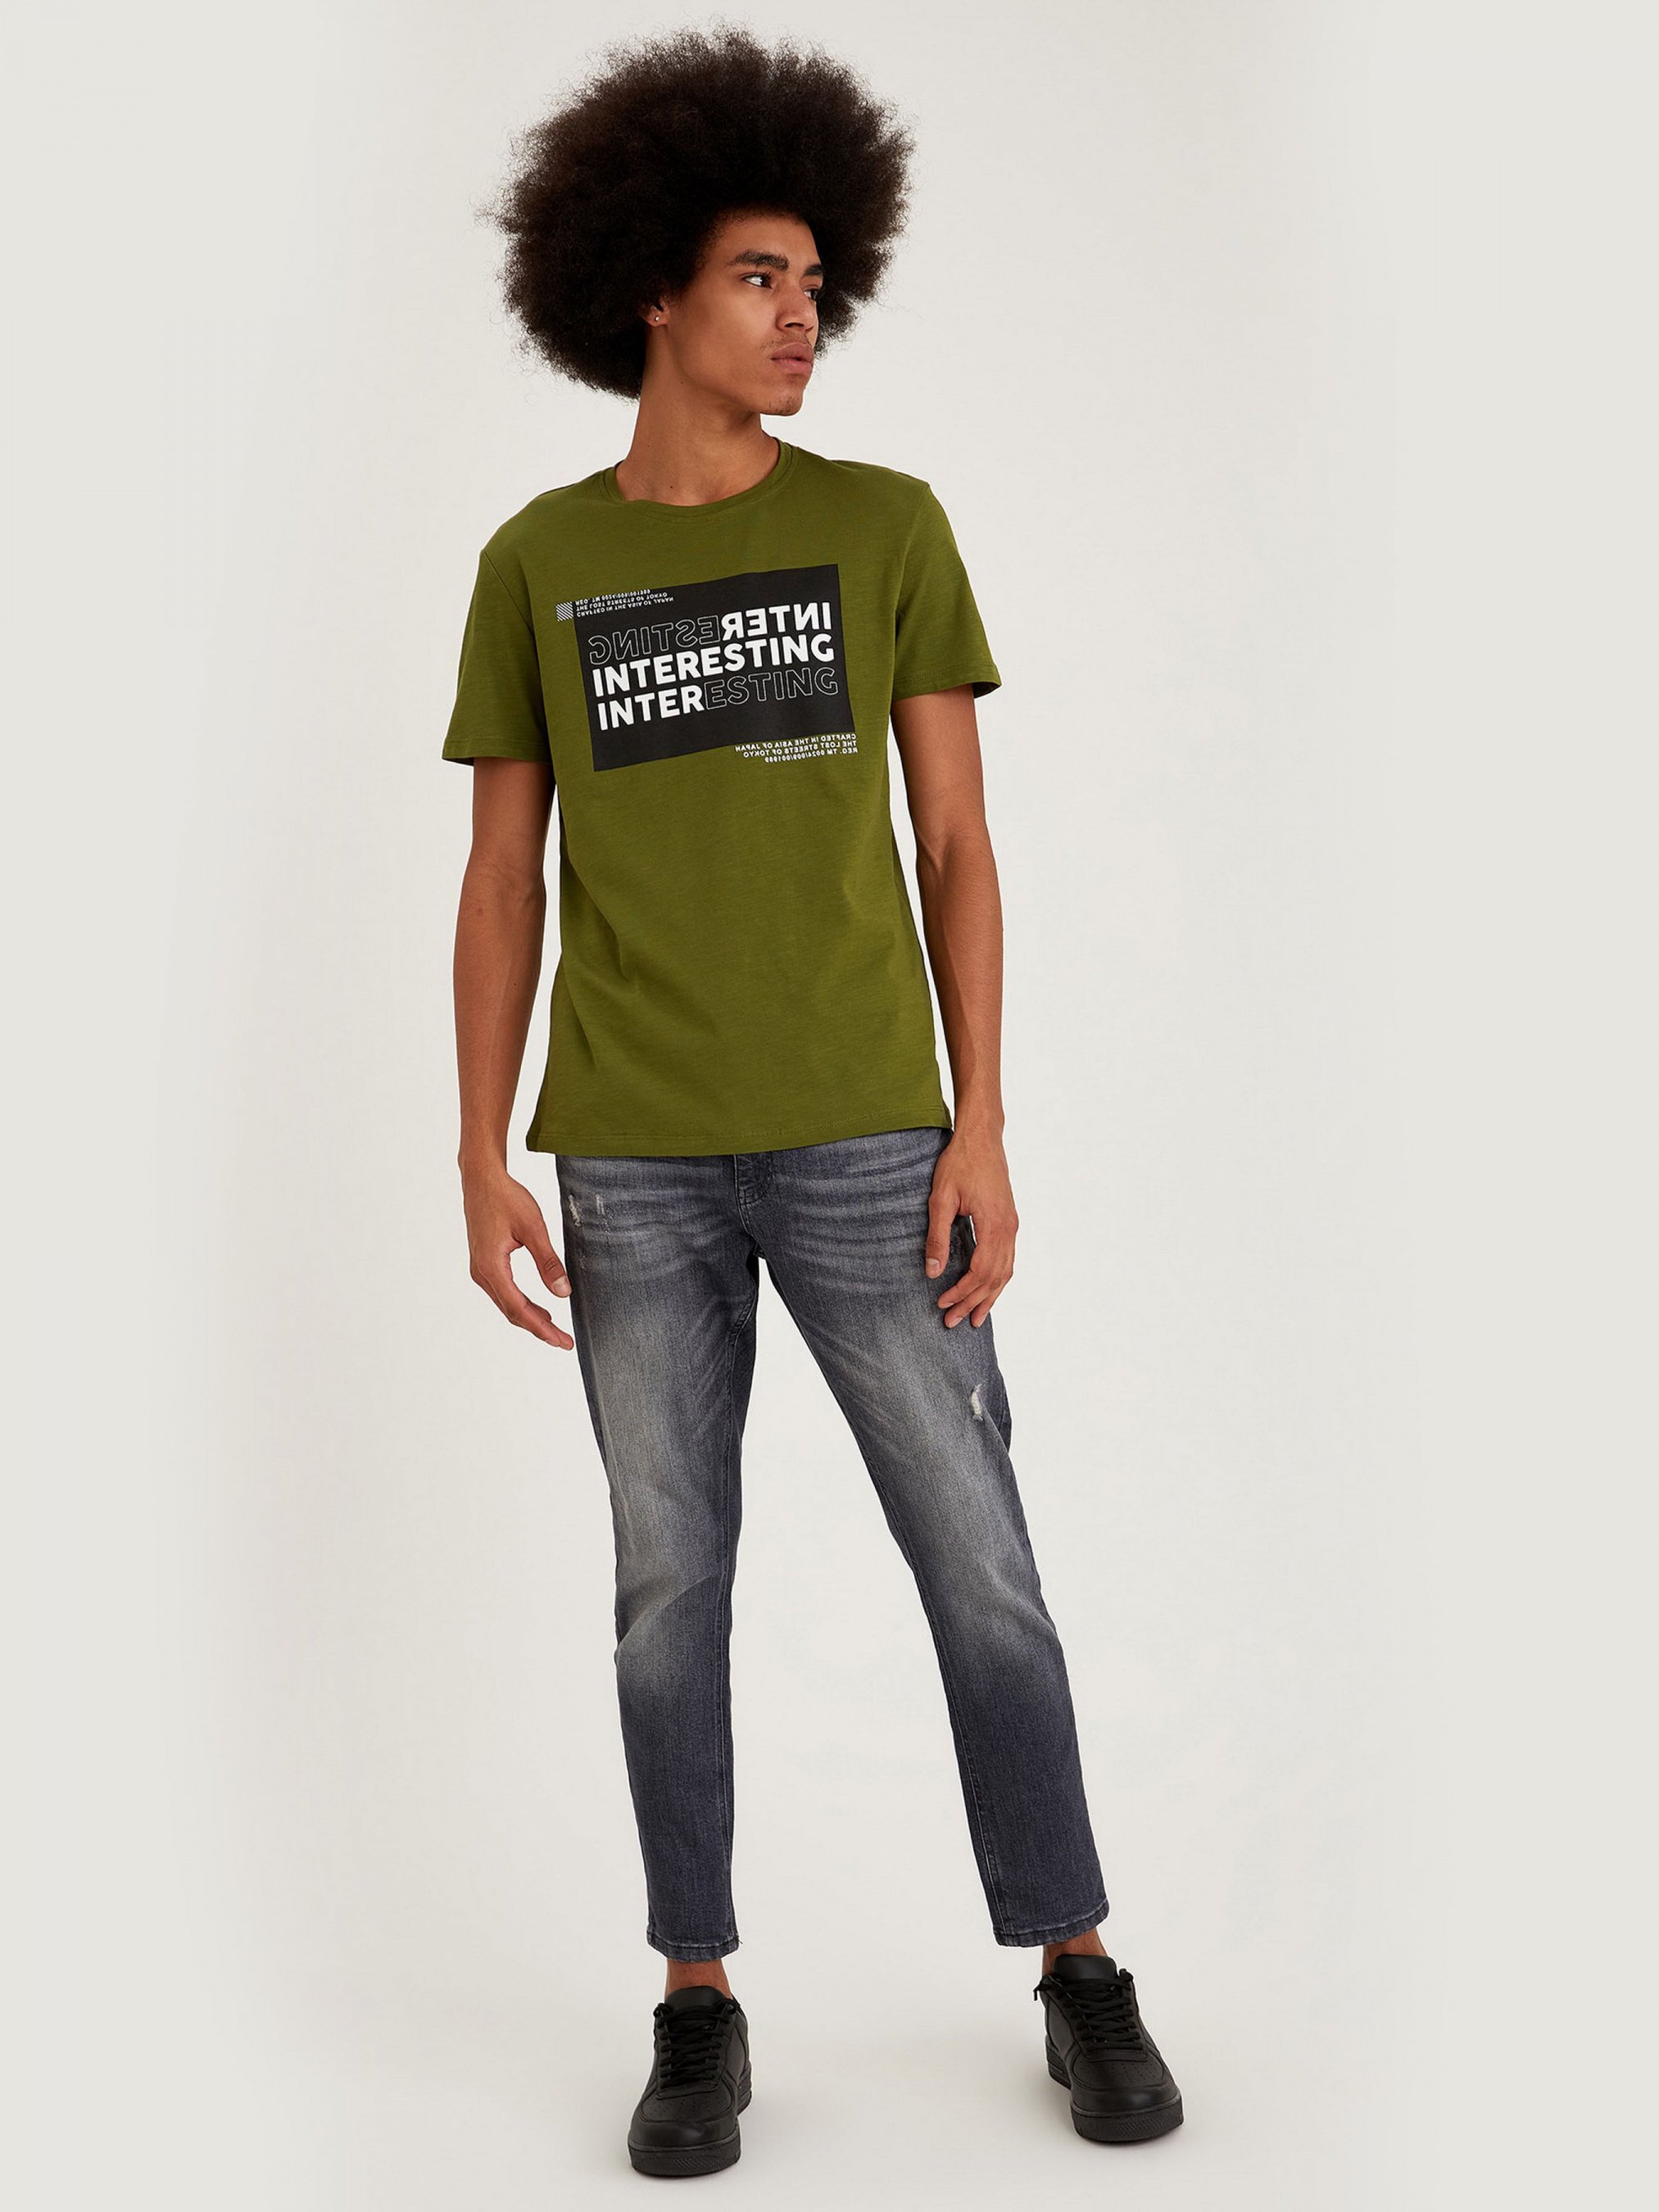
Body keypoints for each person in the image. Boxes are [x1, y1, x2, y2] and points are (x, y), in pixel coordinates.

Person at [441, 25, 1183, 2177]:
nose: (801, 316)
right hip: (632, 1155)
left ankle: (1076, 1957)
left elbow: (957, 846)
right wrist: (477, 1150)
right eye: (761, 277)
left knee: (982, 1565)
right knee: (666, 1583)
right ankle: (696, 1998)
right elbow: (501, 877)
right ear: (649, 291)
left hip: (871, 1135)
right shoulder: (536, 562)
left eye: (816, 283)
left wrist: (983, 1122)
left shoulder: (884, 527)